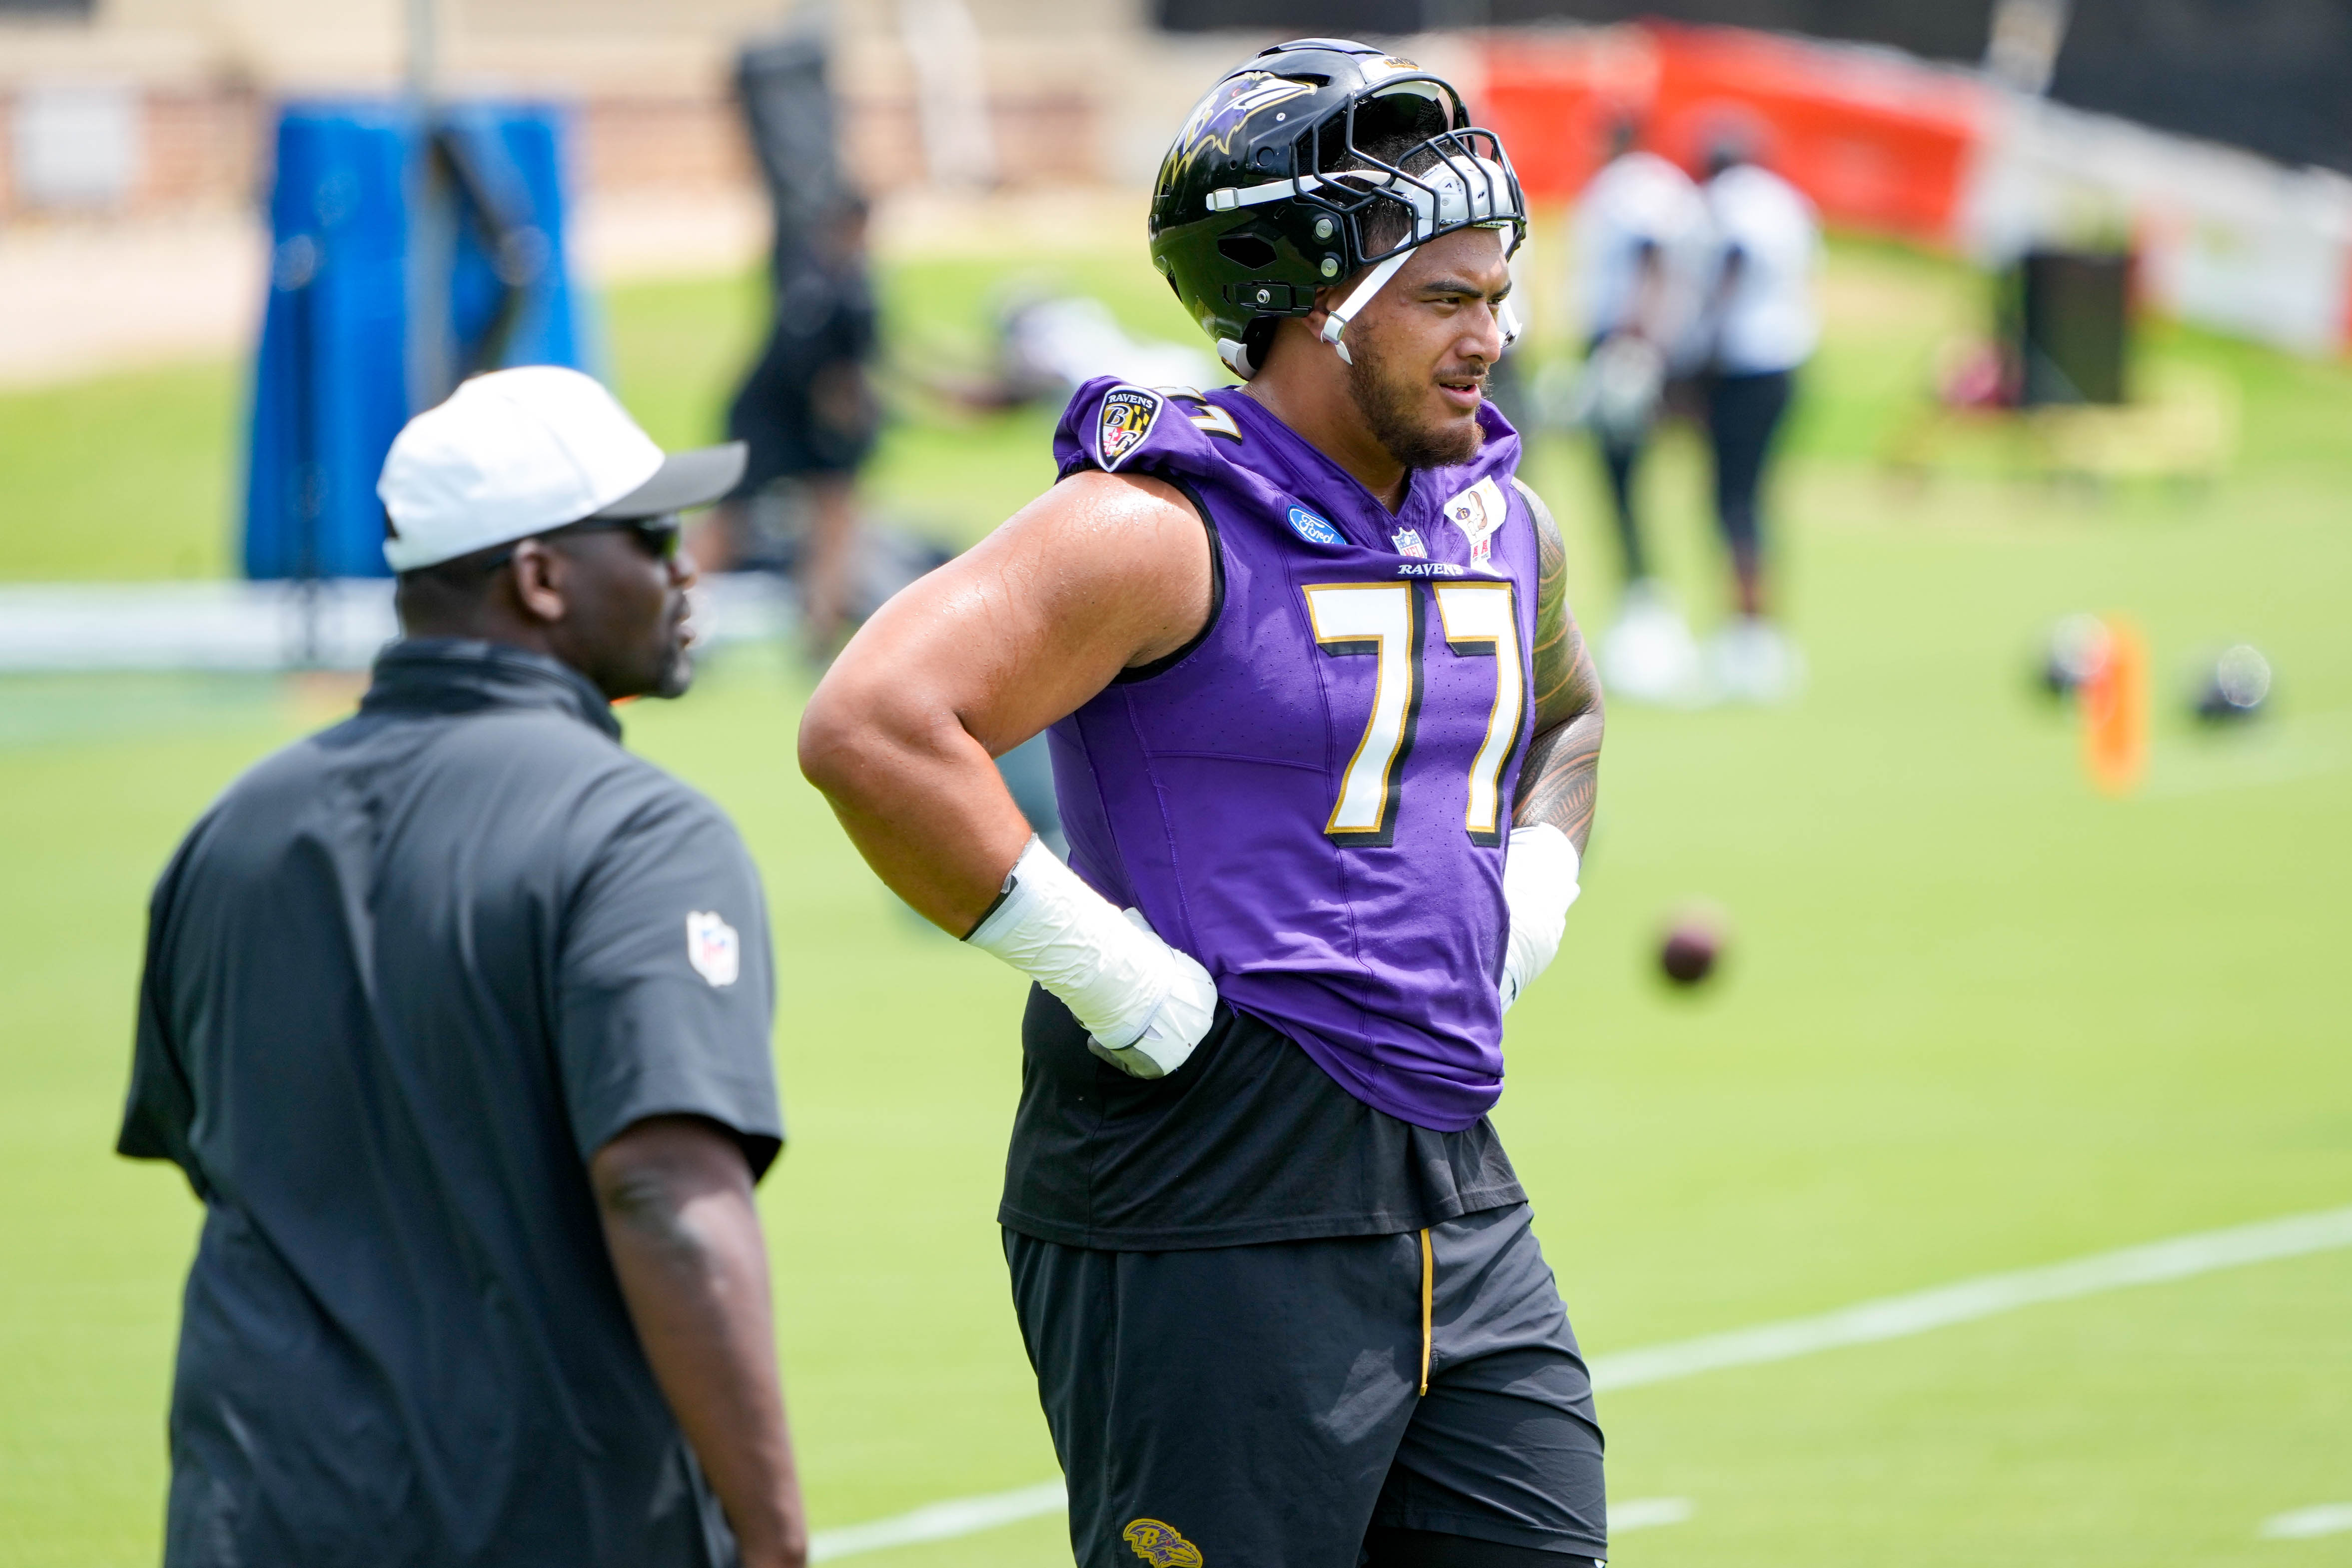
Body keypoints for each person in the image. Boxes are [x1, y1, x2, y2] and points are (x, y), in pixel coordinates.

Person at [800, 40, 1606, 1568]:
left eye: (1498, 293)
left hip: (1455, 1171)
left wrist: (1539, 878)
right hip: (1203, 1173)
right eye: (1446, 297)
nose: (1489, 338)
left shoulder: (1505, 521)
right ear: (1312, 306)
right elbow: (874, 721)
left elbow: (1563, 713)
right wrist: (1117, 974)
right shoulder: (1153, 528)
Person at [118, 366, 807, 1568]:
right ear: (539, 577)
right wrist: (773, 1541)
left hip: (256, 1521)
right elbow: (662, 1193)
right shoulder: (643, 835)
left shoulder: (230, 830)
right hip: (547, 1521)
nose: (687, 566)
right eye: (650, 536)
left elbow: (224, 1154)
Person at [698, 194, 881, 659]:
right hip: (771, 420)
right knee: (732, 521)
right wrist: (855, 428)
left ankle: (820, 628)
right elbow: (825, 378)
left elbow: (862, 367)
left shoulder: (846, 285)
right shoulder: (817, 289)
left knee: (835, 516)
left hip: (803, 423)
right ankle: (671, 614)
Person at [1571, 114, 1709, 703]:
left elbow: (1651, 260)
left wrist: (1633, 343)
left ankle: (1646, 607)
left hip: (1626, 345)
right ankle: (1645, 604)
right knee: (1632, 484)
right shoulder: (1668, 184)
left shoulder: (1629, 188)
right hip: (1664, 347)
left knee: (1621, 482)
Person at [1696, 131, 1818, 702]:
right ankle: (1760, 629)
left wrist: (1709, 336)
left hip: (1742, 364)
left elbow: (1734, 258)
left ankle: (1748, 635)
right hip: (1790, 359)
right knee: (1756, 498)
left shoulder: (1730, 200)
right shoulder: (1787, 200)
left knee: (1732, 500)